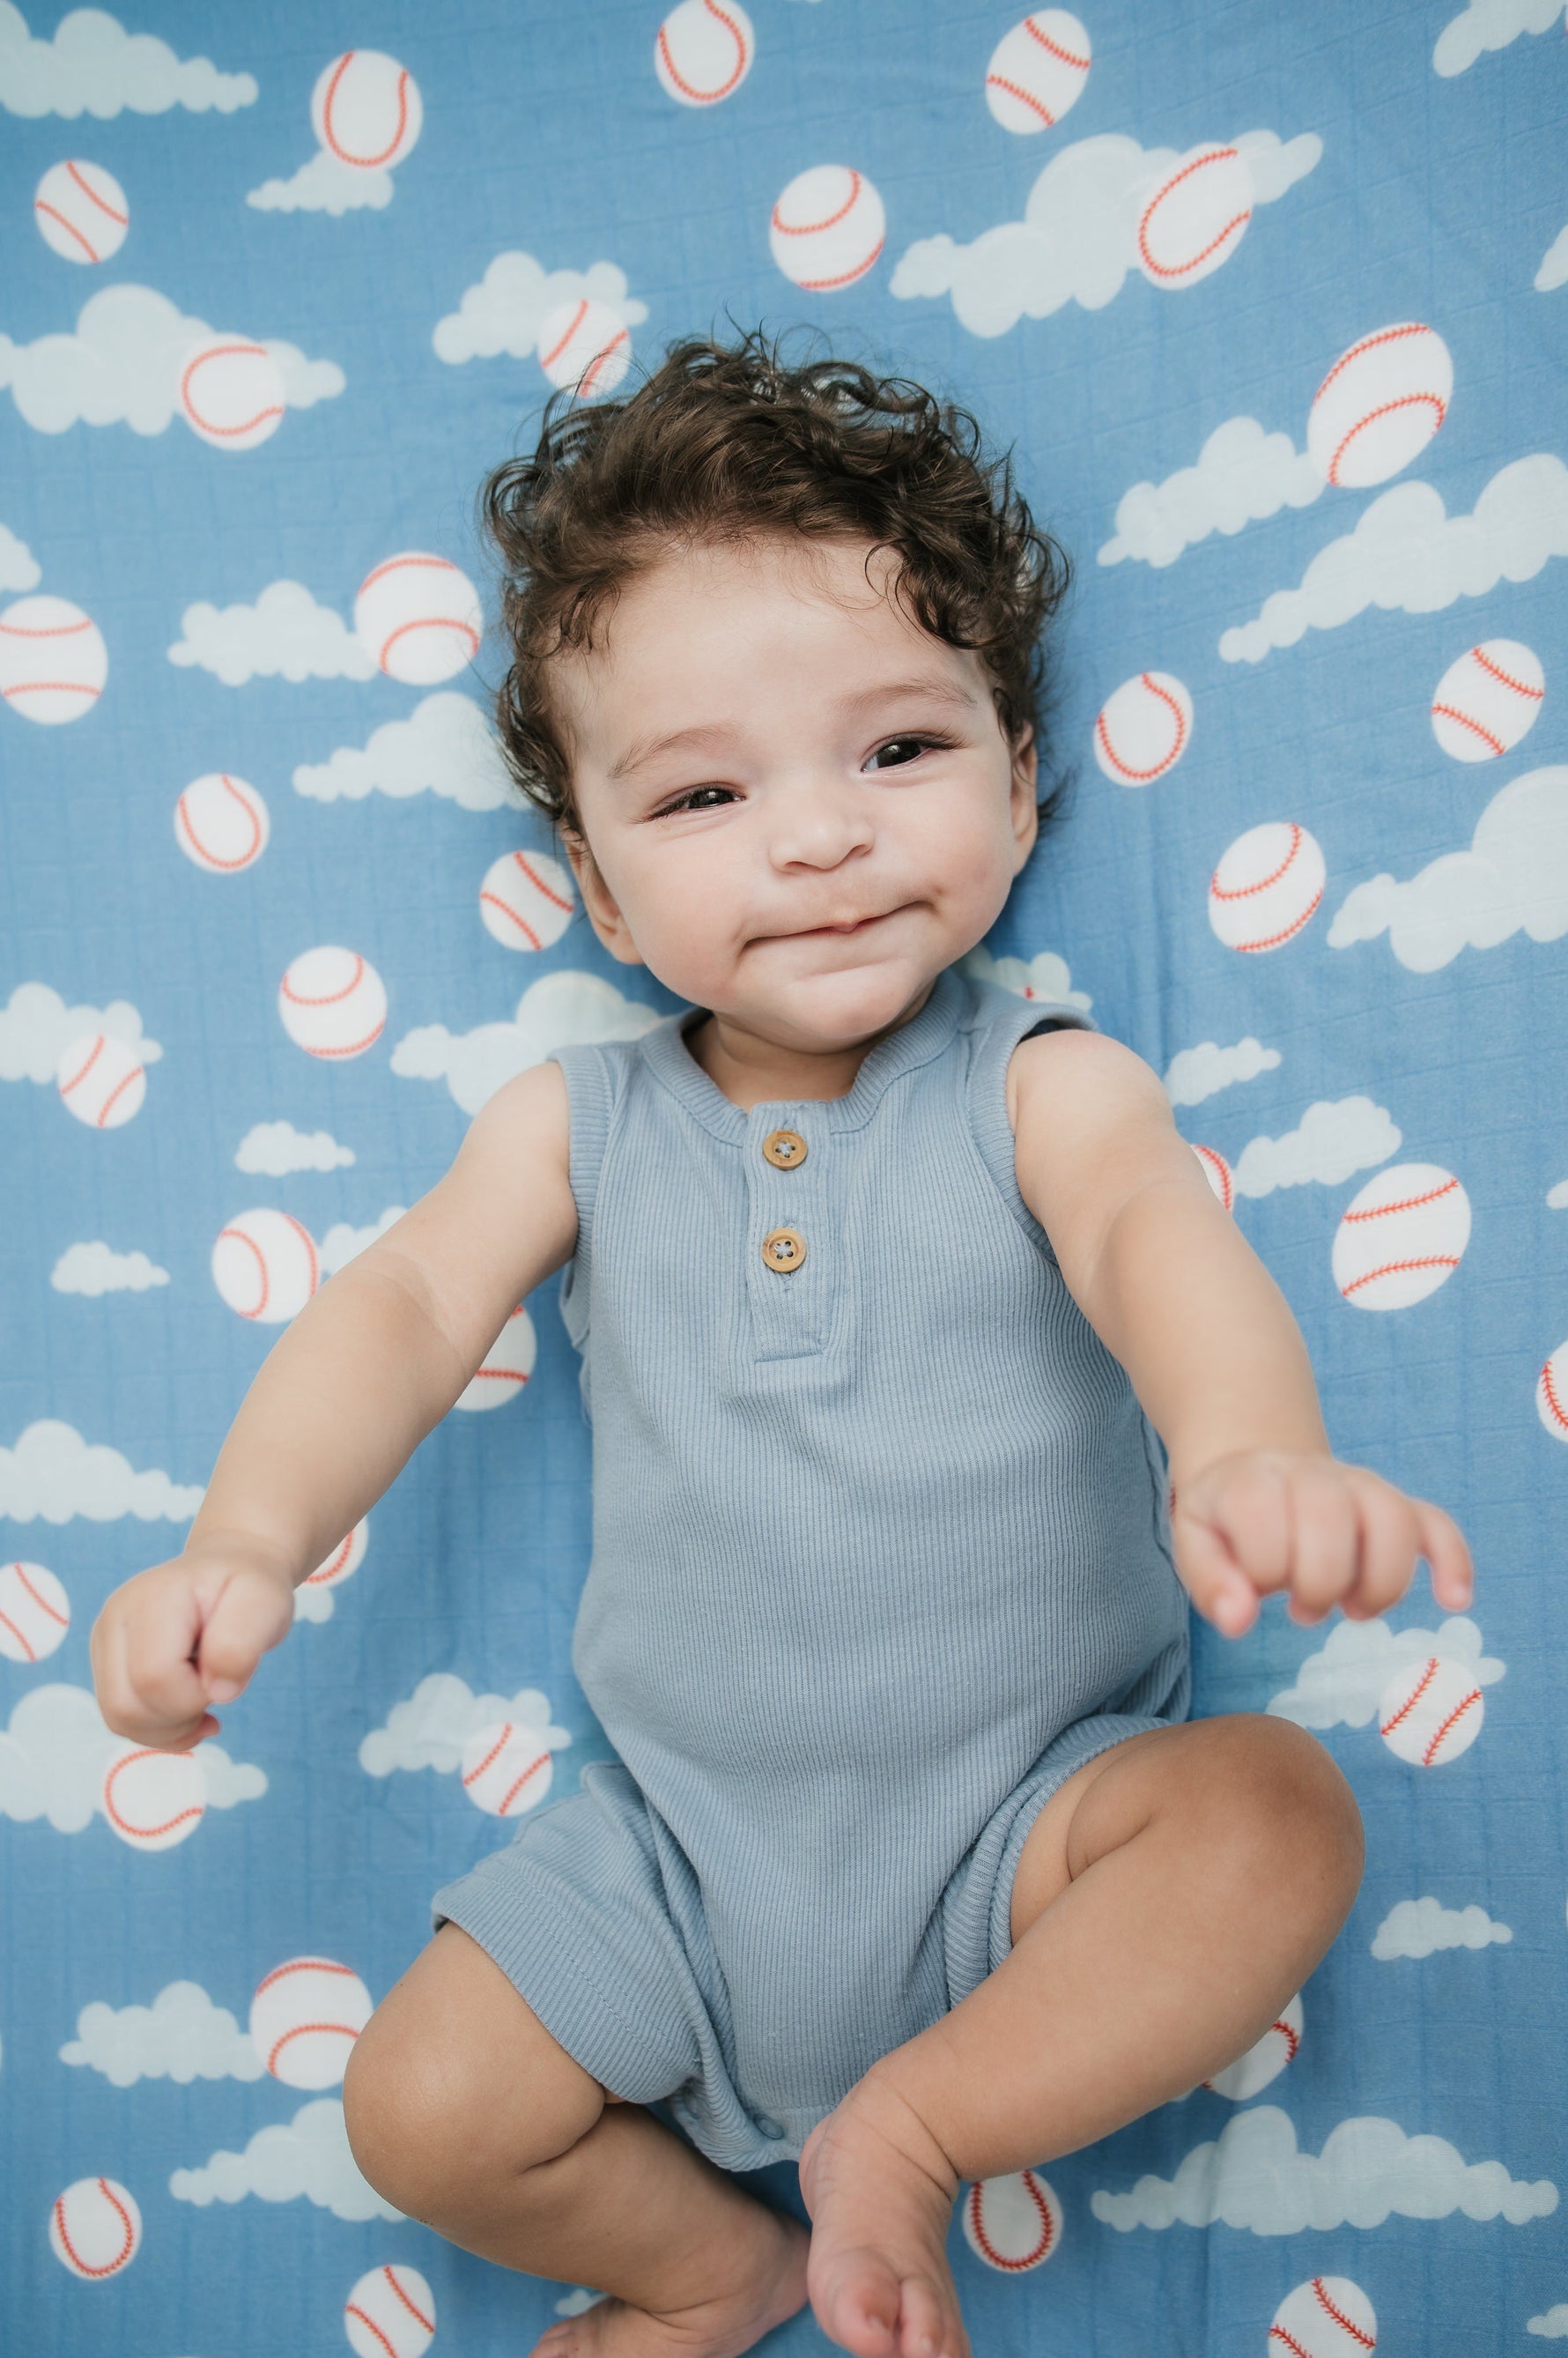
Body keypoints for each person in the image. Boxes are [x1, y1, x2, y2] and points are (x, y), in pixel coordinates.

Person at [91, 326, 1475, 2358]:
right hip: (676, 1858)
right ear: (594, 882)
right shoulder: (575, 1125)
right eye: (705, 791)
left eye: (897, 752)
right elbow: (392, 1308)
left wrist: (1248, 1444)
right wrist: (239, 1543)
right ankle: (709, 2266)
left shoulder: (1037, 1085)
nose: (816, 835)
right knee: (415, 2112)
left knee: (1275, 1813)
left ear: (1018, 774)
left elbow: (1145, 1231)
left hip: (1035, 1828)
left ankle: (911, 2129)